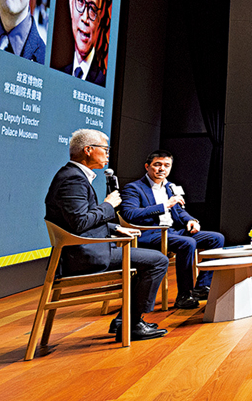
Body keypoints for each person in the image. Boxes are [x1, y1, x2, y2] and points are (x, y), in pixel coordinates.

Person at [45, 129, 169, 340]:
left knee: (148, 261)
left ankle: (125, 321)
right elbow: (79, 222)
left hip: (85, 250)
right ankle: (132, 324)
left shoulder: (73, 176)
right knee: (158, 261)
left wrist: (114, 228)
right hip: (83, 256)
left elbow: (76, 220)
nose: (108, 154)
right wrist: (108, 205)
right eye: (105, 149)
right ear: (88, 150)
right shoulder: (73, 180)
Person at [119, 149, 225, 309]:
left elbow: (180, 211)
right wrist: (164, 206)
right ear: (147, 166)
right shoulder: (134, 188)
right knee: (187, 243)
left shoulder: (170, 187)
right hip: (149, 233)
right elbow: (129, 214)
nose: (162, 169)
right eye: (157, 164)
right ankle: (184, 295)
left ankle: (202, 287)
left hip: (173, 232)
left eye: (166, 165)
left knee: (216, 238)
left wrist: (191, 220)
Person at [57, 0, 107, 84]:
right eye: (80, 1)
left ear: (99, 17)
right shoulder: (58, 76)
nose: (85, 18)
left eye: (92, 8)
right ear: (71, 3)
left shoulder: (103, 83)